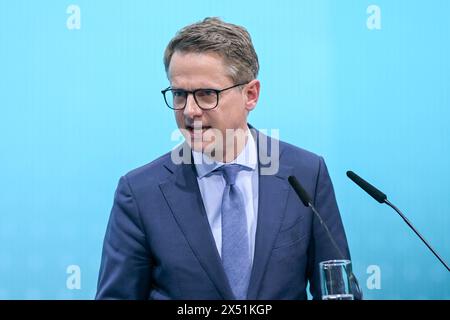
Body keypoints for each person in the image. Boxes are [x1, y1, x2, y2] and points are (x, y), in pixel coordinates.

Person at [96, 17, 358, 300]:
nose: (189, 111)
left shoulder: (306, 174)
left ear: (251, 95)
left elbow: (337, 289)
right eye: (180, 94)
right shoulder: (140, 192)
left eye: (207, 94)